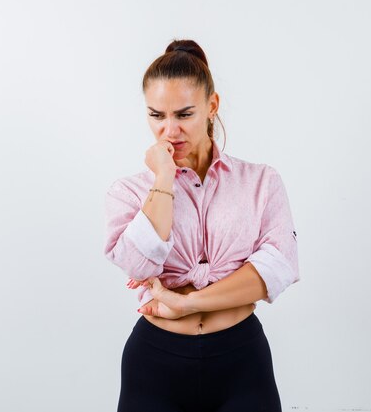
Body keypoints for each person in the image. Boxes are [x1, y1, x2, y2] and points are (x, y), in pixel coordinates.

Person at [104, 39, 300, 412]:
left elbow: (276, 269)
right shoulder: (128, 192)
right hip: (154, 365)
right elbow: (139, 266)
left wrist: (188, 302)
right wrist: (163, 178)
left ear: (212, 106)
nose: (169, 131)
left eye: (183, 114)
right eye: (157, 116)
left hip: (242, 362)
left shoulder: (261, 182)